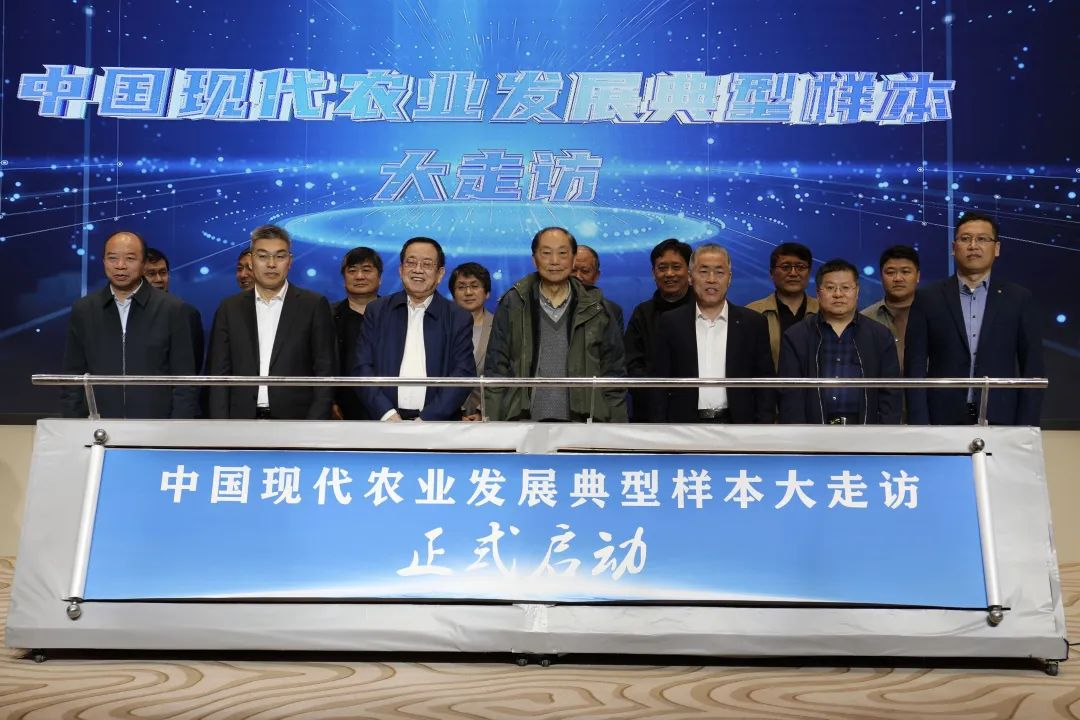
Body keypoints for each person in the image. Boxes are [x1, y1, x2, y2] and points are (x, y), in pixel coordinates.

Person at [905, 212, 1044, 425]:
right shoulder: (927, 298)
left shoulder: (1018, 299)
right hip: (941, 417)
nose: (973, 246)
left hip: (1002, 417)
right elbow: (914, 365)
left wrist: (1027, 426)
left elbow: (1032, 367)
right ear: (954, 248)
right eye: (965, 239)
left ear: (996, 248)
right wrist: (920, 424)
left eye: (982, 239)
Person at [484, 227, 627, 422]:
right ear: (534, 260)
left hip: (584, 424)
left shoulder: (598, 309)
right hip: (523, 424)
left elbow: (614, 377)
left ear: (573, 258)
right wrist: (493, 425)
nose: (554, 261)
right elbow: (495, 371)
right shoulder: (514, 303)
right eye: (546, 253)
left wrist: (616, 429)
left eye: (562, 253)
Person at [61, 231, 198, 418]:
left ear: (143, 263)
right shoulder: (84, 310)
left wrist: (178, 427)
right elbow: (72, 377)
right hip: (99, 425)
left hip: (158, 426)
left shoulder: (172, 309)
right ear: (103, 261)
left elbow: (185, 381)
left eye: (130, 259)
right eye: (112, 258)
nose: (120, 266)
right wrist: (74, 424)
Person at [207, 225, 336, 419]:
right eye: (263, 256)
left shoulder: (313, 305)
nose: (271, 264)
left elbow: (325, 371)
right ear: (251, 261)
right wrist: (220, 425)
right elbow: (219, 374)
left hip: (297, 422)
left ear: (289, 262)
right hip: (240, 421)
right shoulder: (229, 308)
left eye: (280, 256)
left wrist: (314, 424)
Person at [650, 243, 775, 423]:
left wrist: (763, 425)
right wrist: (661, 427)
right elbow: (659, 383)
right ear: (690, 277)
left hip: (738, 424)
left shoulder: (753, 323)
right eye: (703, 272)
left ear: (729, 278)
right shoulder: (671, 322)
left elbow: (765, 382)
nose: (711, 279)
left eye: (719, 272)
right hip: (684, 425)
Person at [354, 237, 474, 421]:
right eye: (411, 262)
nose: (418, 270)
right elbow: (362, 366)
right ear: (401, 269)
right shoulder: (377, 311)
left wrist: (427, 419)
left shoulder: (458, 317)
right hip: (383, 422)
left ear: (440, 273)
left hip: (436, 425)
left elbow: (463, 373)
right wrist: (387, 413)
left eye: (427, 264)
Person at [778, 259, 900, 424]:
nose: (838, 294)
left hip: (866, 430)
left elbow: (890, 394)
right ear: (818, 293)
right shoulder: (796, 336)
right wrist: (800, 434)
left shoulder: (880, 335)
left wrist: (884, 433)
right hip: (812, 430)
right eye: (830, 288)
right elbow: (790, 396)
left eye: (845, 288)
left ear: (857, 291)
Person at [623, 238, 694, 421]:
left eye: (676, 267)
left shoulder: (703, 310)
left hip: (697, 411)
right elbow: (631, 364)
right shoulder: (642, 313)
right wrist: (657, 395)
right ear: (653, 273)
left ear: (690, 271)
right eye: (662, 268)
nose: (669, 274)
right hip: (650, 412)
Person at [747, 242, 819, 368]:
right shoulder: (751, 313)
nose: (793, 273)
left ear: (809, 273)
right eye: (785, 267)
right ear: (771, 273)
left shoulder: (824, 311)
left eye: (800, 267)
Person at [332, 246, 382, 420]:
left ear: (380, 277)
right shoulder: (327, 316)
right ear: (344, 278)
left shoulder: (397, 315)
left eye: (366, 270)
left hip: (390, 408)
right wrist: (329, 402)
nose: (359, 276)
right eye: (352, 271)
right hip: (340, 410)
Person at [144, 246, 205, 372]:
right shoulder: (127, 312)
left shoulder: (187, 313)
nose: (159, 279)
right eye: (151, 274)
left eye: (163, 272)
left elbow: (194, 365)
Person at [862, 245, 920, 367]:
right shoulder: (864, 319)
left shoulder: (936, 315)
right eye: (890, 272)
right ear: (881, 277)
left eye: (905, 272)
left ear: (918, 276)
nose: (898, 278)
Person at [450, 261, 494, 420]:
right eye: (461, 287)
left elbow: (506, 375)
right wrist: (454, 415)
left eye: (475, 286)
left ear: (487, 292)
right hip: (447, 417)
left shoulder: (501, 327)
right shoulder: (441, 328)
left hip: (487, 418)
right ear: (453, 294)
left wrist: (483, 411)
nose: (468, 292)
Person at [572, 244, 625, 329]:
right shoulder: (549, 307)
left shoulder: (612, 311)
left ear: (596, 276)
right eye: (572, 270)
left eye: (585, 271)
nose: (578, 276)